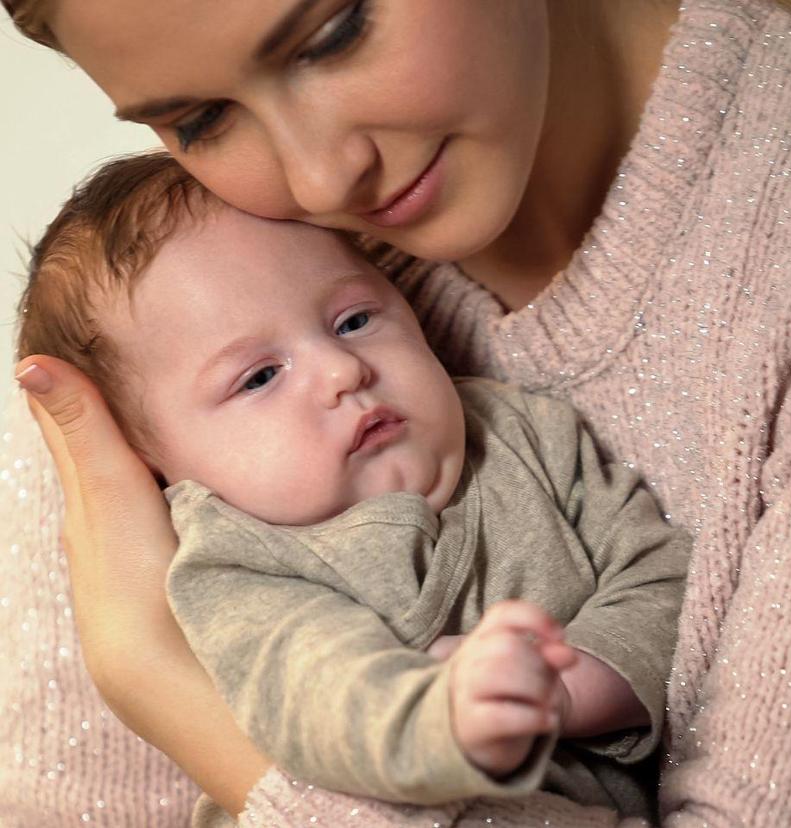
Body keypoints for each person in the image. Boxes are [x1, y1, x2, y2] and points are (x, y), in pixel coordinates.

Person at [2, 0, 791, 825]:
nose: (315, 180)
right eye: (199, 118)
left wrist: (167, 690)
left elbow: (649, 575)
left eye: (335, 30)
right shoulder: (168, 292)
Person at [16, 152, 689, 823]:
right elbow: (317, 694)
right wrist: (441, 717)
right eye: (258, 377)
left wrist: (572, 685)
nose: (341, 370)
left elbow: (662, 579)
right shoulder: (236, 559)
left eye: (354, 320)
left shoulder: (525, 432)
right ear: (159, 469)